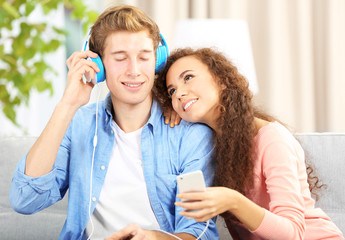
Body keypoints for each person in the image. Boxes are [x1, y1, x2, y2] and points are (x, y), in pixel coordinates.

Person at [9, 6, 218, 240]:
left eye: (144, 57)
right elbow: (25, 199)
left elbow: (200, 233)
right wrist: (67, 105)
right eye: (120, 58)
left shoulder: (190, 135)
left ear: (157, 60)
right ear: (97, 64)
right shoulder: (80, 124)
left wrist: (151, 238)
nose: (134, 70)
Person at [155, 47, 344, 240]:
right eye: (172, 91)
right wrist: (167, 108)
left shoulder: (272, 138)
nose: (179, 93)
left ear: (222, 81)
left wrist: (233, 201)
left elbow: (292, 234)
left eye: (188, 78)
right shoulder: (209, 146)